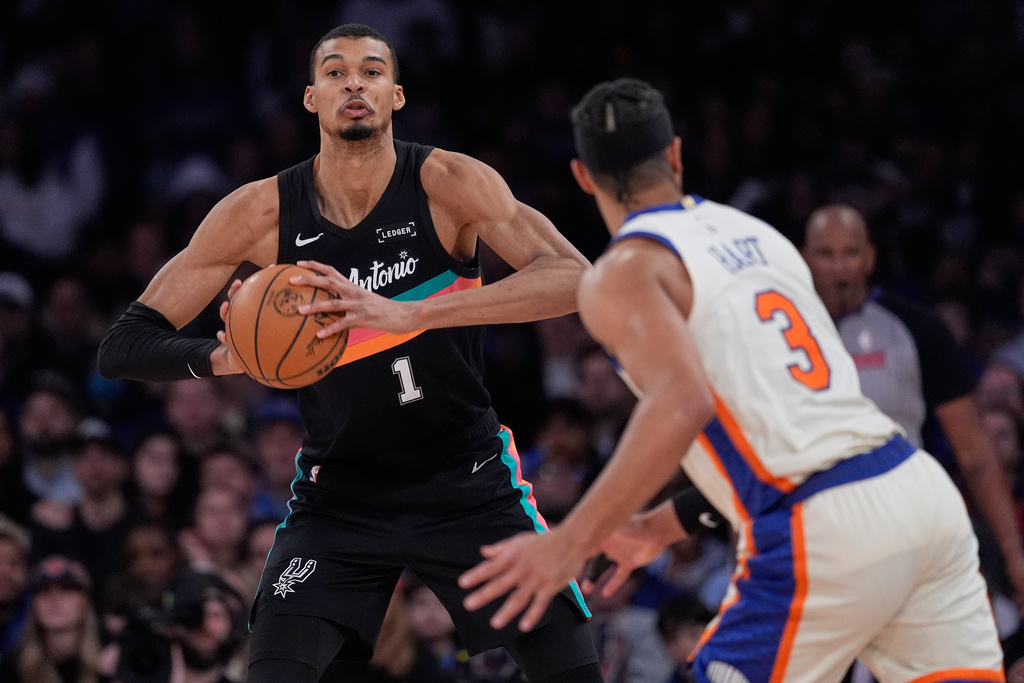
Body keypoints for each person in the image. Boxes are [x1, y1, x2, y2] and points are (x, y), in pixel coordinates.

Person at [97, 23, 600, 683]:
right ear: (311, 98)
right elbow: (123, 343)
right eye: (335, 72)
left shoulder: (449, 181)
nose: (354, 83)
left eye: (371, 71)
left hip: (468, 479)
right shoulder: (260, 212)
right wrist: (223, 358)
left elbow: (574, 277)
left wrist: (414, 313)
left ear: (396, 95)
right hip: (340, 495)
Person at [459, 78, 1004, 682]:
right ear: (675, 156)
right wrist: (657, 527)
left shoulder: (624, 271)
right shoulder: (764, 238)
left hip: (820, 526)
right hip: (918, 491)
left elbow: (682, 400)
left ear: (583, 177)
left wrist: (569, 541)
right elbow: (800, 425)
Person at [801, 203, 1024, 611]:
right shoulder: (778, 334)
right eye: (825, 254)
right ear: (803, 259)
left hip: (903, 531)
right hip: (811, 537)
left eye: (850, 253)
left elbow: (974, 452)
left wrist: (1014, 554)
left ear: (870, 259)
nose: (838, 268)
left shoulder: (915, 327)